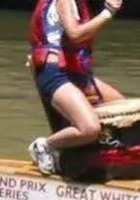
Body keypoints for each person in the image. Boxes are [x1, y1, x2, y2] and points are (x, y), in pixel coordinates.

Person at [28, 0, 129, 176]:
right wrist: (108, 13)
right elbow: (75, 34)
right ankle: (46, 145)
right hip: (55, 75)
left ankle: (91, 155)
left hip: (76, 73)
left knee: (124, 109)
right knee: (89, 129)